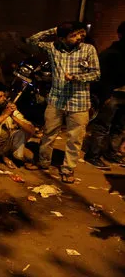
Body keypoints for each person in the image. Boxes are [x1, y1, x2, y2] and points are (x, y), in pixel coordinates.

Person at [27, 22, 100, 183]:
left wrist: (76, 78)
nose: (79, 37)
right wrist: (55, 29)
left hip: (79, 101)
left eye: (80, 34)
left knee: (75, 138)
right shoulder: (53, 48)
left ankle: (68, 169)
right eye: (73, 35)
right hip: (56, 99)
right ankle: (43, 162)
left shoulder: (88, 49)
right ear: (62, 38)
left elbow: (96, 74)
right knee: (49, 133)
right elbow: (31, 40)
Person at [85, 21, 125, 169]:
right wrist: (103, 95)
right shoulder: (111, 53)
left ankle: (111, 153)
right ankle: (93, 155)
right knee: (102, 126)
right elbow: (100, 77)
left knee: (119, 127)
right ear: (120, 35)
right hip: (111, 95)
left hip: (121, 95)